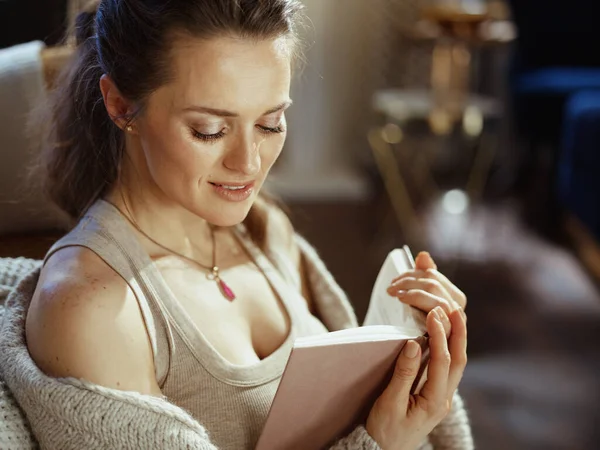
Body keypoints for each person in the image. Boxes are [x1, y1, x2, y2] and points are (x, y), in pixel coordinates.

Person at [21, 0, 472, 448]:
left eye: (271, 123)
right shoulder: (92, 307)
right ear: (120, 105)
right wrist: (381, 443)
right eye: (209, 130)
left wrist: (418, 363)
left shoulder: (265, 230)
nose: (249, 163)